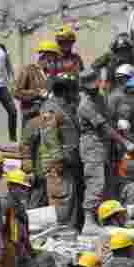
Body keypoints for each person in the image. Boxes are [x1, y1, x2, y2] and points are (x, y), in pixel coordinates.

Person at [77, 68, 134, 234]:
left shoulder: (100, 97)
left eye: (96, 86)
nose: (94, 89)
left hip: (105, 146)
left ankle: (109, 219)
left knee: (109, 184)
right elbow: (103, 127)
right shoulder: (85, 105)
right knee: (96, 183)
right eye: (91, 87)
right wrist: (124, 142)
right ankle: (88, 222)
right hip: (92, 147)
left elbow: (109, 120)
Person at [40, 73, 82, 230]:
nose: (75, 94)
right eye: (73, 90)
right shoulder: (51, 108)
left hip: (68, 164)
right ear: (65, 91)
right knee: (62, 204)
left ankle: (69, 232)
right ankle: (62, 235)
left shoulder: (64, 107)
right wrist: (58, 160)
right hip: (58, 166)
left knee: (70, 204)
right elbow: (49, 136)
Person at [0, 169, 39, 267]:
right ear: (11, 187)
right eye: (21, 187)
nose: (24, 191)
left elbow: (23, 230)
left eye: (25, 188)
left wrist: (29, 249)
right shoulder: (4, 205)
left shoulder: (19, 206)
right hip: (8, 250)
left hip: (20, 249)